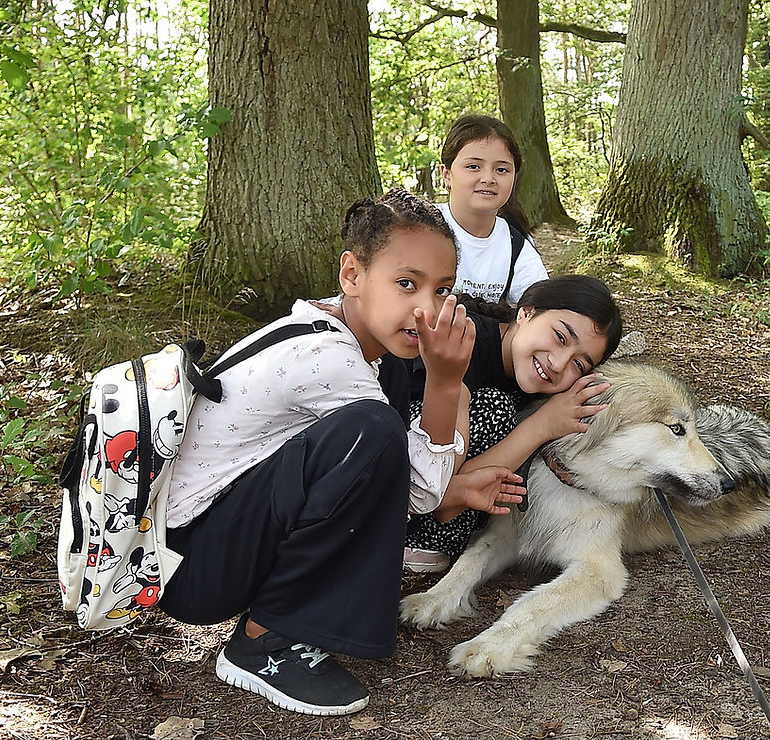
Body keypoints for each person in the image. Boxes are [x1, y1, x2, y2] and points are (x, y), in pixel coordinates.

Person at [158, 189, 524, 716]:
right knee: (372, 431)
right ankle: (263, 642)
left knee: (379, 421)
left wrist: (448, 422)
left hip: (216, 541)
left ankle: (292, 616)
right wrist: (447, 384)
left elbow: (405, 488)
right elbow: (420, 487)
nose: (427, 308)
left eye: (443, 290)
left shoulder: (368, 353)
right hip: (187, 566)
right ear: (351, 275)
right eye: (406, 283)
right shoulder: (326, 358)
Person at [403, 275, 623, 573]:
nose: (558, 364)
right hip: (393, 496)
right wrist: (541, 426)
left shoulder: (536, 386)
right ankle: (422, 542)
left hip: (432, 495)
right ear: (526, 312)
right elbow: (443, 499)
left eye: (578, 364)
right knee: (498, 408)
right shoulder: (464, 341)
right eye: (560, 337)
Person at [436, 114, 548, 305]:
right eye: (473, 166)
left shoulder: (517, 246)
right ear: (446, 175)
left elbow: (543, 309)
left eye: (502, 170)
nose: (488, 178)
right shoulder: (418, 225)